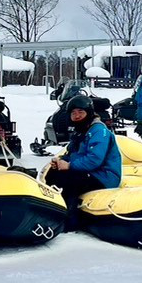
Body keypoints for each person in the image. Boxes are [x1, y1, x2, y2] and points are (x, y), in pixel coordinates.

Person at [48, 93, 122, 229]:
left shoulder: (99, 131)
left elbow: (94, 160)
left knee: (70, 181)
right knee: (52, 175)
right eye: (73, 113)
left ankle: (70, 222)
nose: (76, 116)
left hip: (104, 175)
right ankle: (51, 212)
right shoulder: (80, 131)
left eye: (80, 112)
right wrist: (61, 161)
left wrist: (69, 165)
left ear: (88, 112)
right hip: (90, 171)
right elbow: (72, 153)